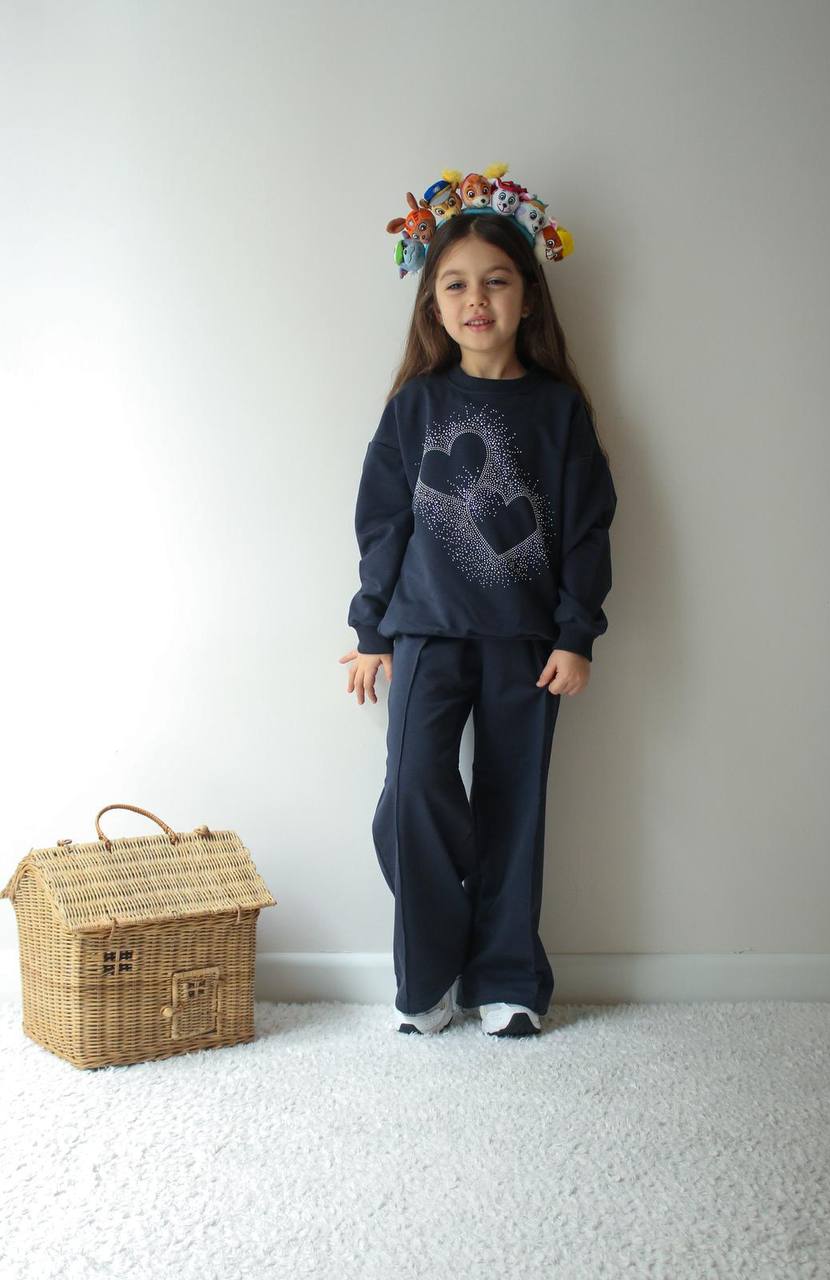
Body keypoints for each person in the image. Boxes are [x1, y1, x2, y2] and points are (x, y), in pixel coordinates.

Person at [338, 191, 617, 1039]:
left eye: (496, 281)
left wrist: (577, 632)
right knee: (412, 796)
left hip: (529, 644)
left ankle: (507, 978)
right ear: (434, 304)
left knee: (514, 808)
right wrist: (369, 629)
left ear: (527, 296)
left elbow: (588, 527)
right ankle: (430, 975)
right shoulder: (415, 405)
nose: (476, 300)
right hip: (424, 634)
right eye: (456, 284)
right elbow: (383, 523)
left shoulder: (559, 410)